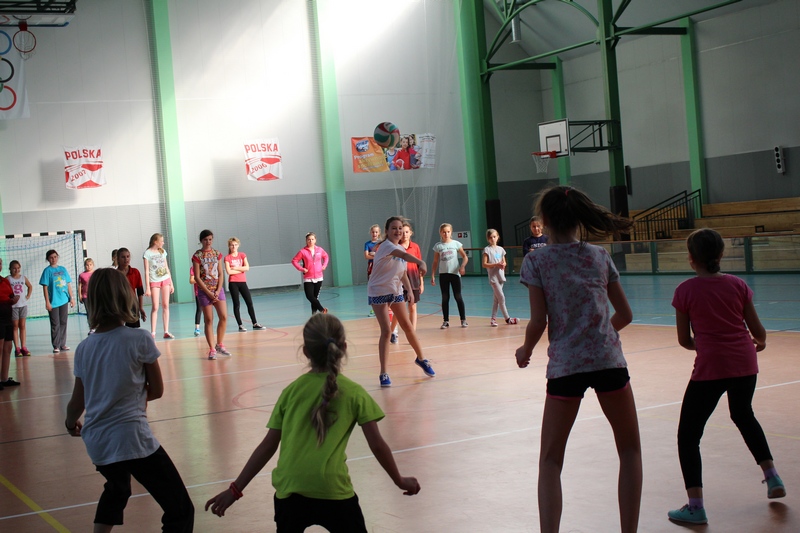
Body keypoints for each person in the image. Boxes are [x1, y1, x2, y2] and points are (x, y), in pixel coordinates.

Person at [204, 313, 420, 530]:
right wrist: (399, 480)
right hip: (332, 489)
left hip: (290, 490)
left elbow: (267, 446)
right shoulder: (354, 393)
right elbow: (377, 445)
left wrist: (235, 490)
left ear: (306, 352)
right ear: (344, 347)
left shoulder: (291, 392)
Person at [515, 185, 642, 533]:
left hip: (565, 368)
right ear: (578, 219)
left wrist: (525, 350)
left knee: (550, 461)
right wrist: (599, 335)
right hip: (609, 362)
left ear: (544, 220)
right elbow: (625, 314)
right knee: (630, 451)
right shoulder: (599, 256)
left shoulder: (537, 261)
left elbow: (539, 321)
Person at [667, 228, 785, 525]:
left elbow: (683, 339)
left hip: (711, 367)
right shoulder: (738, 285)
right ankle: (772, 476)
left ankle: (696, 506)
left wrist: (705, 345)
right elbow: (758, 332)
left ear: (691, 258)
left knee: (688, 435)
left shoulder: (685, 291)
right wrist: (760, 342)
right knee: (743, 415)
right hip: (745, 362)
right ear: (721, 255)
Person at [65, 268, 194, 532]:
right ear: (126, 297)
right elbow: (157, 390)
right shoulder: (140, 339)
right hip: (132, 438)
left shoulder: (84, 348)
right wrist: (132, 394)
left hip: (98, 440)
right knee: (180, 508)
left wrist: (70, 423)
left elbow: (77, 402)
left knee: (117, 488)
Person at [368, 216, 434, 387]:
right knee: (386, 331)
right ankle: (383, 373)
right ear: (387, 231)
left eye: (400, 228)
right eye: (394, 228)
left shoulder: (399, 247)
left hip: (395, 290)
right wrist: (420, 261)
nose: (398, 231)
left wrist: (409, 290)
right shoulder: (387, 246)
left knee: (407, 326)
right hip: (378, 290)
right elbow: (403, 255)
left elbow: (402, 271)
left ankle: (421, 359)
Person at [193, 229, 230, 360]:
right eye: (205, 240)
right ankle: (212, 349)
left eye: (210, 239)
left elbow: (220, 273)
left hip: (217, 290)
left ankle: (219, 344)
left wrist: (218, 290)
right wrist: (208, 292)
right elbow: (197, 277)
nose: (208, 242)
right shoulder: (197, 255)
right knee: (209, 320)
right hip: (205, 291)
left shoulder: (217, 254)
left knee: (223, 316)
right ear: (201, 241)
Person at [388, 221, 424, 343]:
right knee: (399, 310)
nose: (404, 234)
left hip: (414, 280)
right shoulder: (397, 248)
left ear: (411, 233)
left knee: (413, 307)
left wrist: (421, 282)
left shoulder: (415, 247)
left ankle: (412, 334)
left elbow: (419, 265)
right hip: (400, 282)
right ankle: (391, 332)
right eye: (402, 232)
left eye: (407, 232)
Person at [431, 223, 469, 329]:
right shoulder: (438, 246)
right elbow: (435, 261)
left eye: (448, 232)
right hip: (443, 275)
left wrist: (462, 266)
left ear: (451, 232)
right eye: (444, 232)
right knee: (445, 297)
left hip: (455, 274)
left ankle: (463, 319)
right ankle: (446, 321)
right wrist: (433, 275)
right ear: (440, 233)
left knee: (458, 296)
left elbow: (465, 257)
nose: (446, 234)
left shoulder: (456, 244)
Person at [224, 237, 265, 332]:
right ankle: (240, 325)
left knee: (249, 302)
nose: (234, 246)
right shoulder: (227, 258)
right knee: (236, 304)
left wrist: (235, 268)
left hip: (242, 282)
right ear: (229, 246)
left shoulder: (242, 255)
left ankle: (255, 323)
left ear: (238, 245)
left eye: (235, 245)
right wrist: (240, 269)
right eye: (232, 245)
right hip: (233, 283)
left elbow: (247, 268)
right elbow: (229, 271)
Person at [39, 249, 75, 354]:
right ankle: (56, 345)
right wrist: (47, 302)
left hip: (64, 299)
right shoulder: (47, 271)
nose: (53, 259)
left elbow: (68, 284)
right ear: (48, 259)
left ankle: (62, 343)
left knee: (63, 322)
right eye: (51, 257)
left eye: (55, 257)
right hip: (53, 301)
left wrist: (72, 298)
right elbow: (45, 287)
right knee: (55, 323)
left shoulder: (63, 269)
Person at [482, 229, 518, 327]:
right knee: (501, 297)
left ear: (498, 237)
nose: (493, 239)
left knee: (496, 299)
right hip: (493, 278)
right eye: (490, 237)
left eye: (494, 237)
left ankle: (493, 319)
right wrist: (496, 264)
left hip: (500, 276)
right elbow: (484, 264)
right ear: (488, 239)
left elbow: (504, 261)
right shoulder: (487, 250)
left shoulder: (501, 249)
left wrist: (503, 264)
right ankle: (508, 318)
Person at [143, 233, 175, 339]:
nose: (163, 243)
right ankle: (153, 332)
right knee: (155, 306)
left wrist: (171, 283)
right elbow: (146, 271)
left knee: (166, 305)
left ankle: (166, 331)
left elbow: (166, 267)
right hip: (154, 281)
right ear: (155, 242)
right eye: (161, 241)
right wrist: (148, 287)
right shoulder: (147, 253)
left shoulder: (162, 251)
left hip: (165, 279)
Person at [291, 232, 329, 315]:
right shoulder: (302, 251)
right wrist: (301, 269)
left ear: (315, 240)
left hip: (319, 277)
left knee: (315, 298)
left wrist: (324, 265)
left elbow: (326, 256)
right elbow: (294, 261)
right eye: (309, 239)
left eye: (312, 239)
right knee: (309, 296)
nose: (311, 241)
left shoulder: (320, 250)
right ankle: (322, 310)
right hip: (308, 277)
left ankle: (314, 315)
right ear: (306, 241)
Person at [0, 258, 21, 390]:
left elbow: (10, 296)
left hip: (7, 317)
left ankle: (4, 378)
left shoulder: (5, 281)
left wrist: (14, 299)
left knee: (7, 348)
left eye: (0, 263)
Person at [117, 248, 146, 329]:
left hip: (132, 304)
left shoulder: (135, 272)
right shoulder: (115, 274)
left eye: (127, 256)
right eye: (123, 257)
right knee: (119, 328)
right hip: (119, 304)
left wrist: (140, 307)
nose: (126, 259)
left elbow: (140, 291)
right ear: (118, 259)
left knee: (133, 329)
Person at [8, 260, 32, 357]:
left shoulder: (23, 278)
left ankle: (23, 347)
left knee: (22, 326)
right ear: (10, 269)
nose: (16, 270)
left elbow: (30, 286)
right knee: (15, 326)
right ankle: (17, 348)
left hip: (23, 305)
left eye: (18, 268)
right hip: (13, 306)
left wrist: (28, 296)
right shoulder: (8, 279)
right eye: (14, 268)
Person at [78, 258, 95, 331]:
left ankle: (98, 326)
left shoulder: (95, 273)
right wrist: (80, 295)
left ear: (93, 265)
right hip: (86, 296)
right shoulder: (82, 275)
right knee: (89, 312)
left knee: (95, 311)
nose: (89, 266)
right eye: (87, 265)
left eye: (90, 265)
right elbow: (80, 285)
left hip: (95, 296)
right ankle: (91, 327)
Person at [189, 267, 201, 337]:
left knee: (208, 310)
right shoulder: (193, 268)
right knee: (199, 309)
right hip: (198, 292)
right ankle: (197, 328)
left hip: (208, 291)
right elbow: (191, 280)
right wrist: (199, 279)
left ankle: (208, 326)